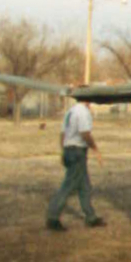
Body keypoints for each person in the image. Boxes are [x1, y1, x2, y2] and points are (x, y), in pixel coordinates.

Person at [47, 99, 105, 230]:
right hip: (78, 151)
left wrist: (63, 151)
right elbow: (85, 133)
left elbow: (62, 134)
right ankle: (53, 217)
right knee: (68, 186)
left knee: (85, 186)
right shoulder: (83, 112)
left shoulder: (70, 111)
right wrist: (95, 148)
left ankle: (91, 217)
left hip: (70, 149)